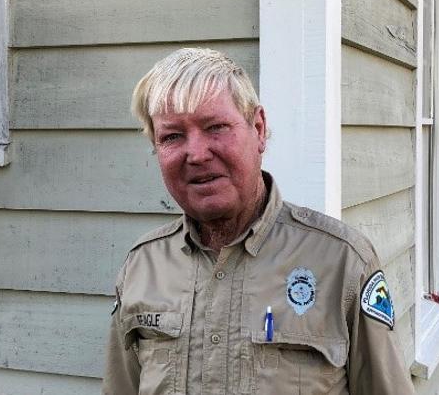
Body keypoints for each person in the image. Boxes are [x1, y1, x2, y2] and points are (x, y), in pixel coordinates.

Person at [102, 48, 415, 395]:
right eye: (172, 136)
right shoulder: (141, 266)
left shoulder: (343, 263)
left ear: (259, 128)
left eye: (215, 126)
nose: (197, 153)